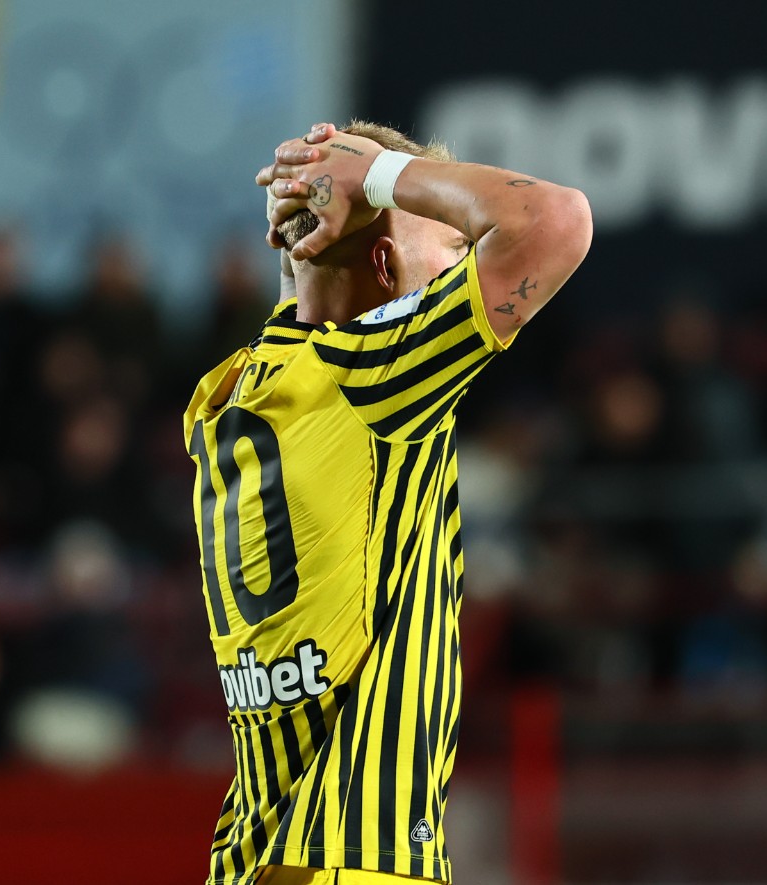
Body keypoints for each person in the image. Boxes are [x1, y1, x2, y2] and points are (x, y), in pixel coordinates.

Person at [186, 121, 590, 885]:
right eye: (454, 248)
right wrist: (379, 174)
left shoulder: (229, 392)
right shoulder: (378, 381)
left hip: (255, 856)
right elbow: (555, 220)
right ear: (384, 263)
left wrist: (309, 210)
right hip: (356, 855)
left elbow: (311, 295)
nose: (465, 266)